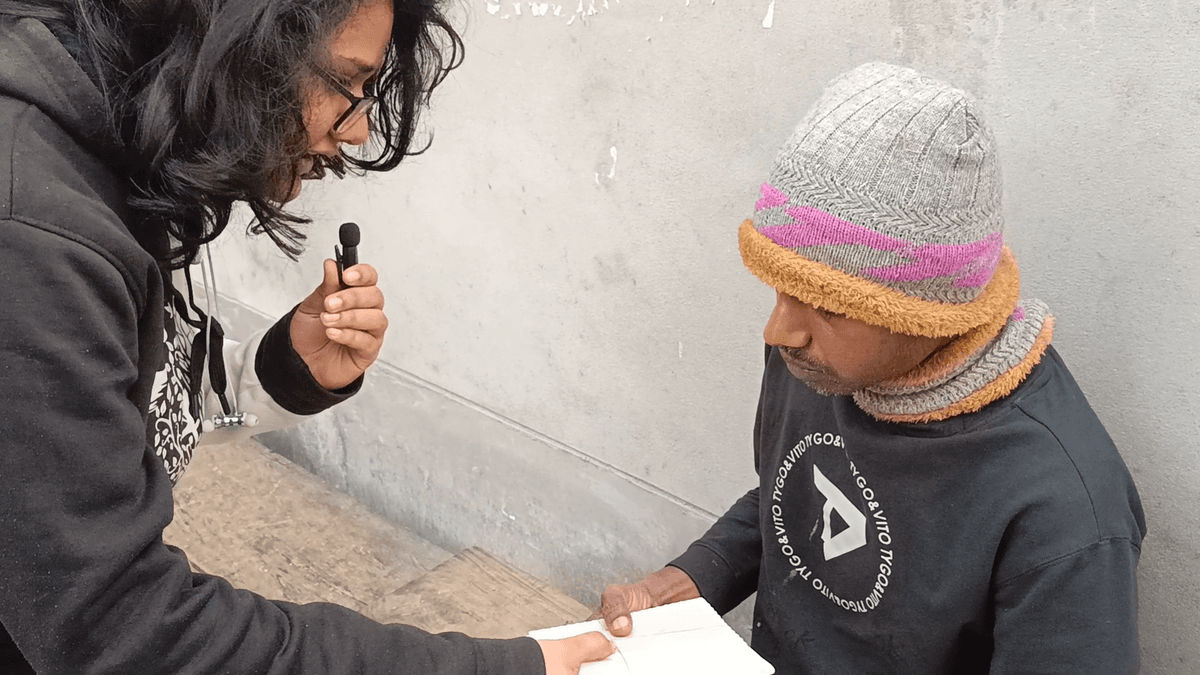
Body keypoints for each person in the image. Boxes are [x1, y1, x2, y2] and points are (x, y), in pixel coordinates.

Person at [0, 0, 611, 672]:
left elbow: (138, 403)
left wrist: (287, 366)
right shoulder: (36, 237)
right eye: (347, 80)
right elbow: (129, 632)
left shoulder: (126, 152)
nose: (357, 128)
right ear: (241, 30)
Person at [596, 62, 1146, 673]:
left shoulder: (1065, 510)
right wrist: (688, 580)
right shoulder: (817, 359)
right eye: (779, 286)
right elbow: (794, 498)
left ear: (927, 311)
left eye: (827, 303)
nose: (778, 331)